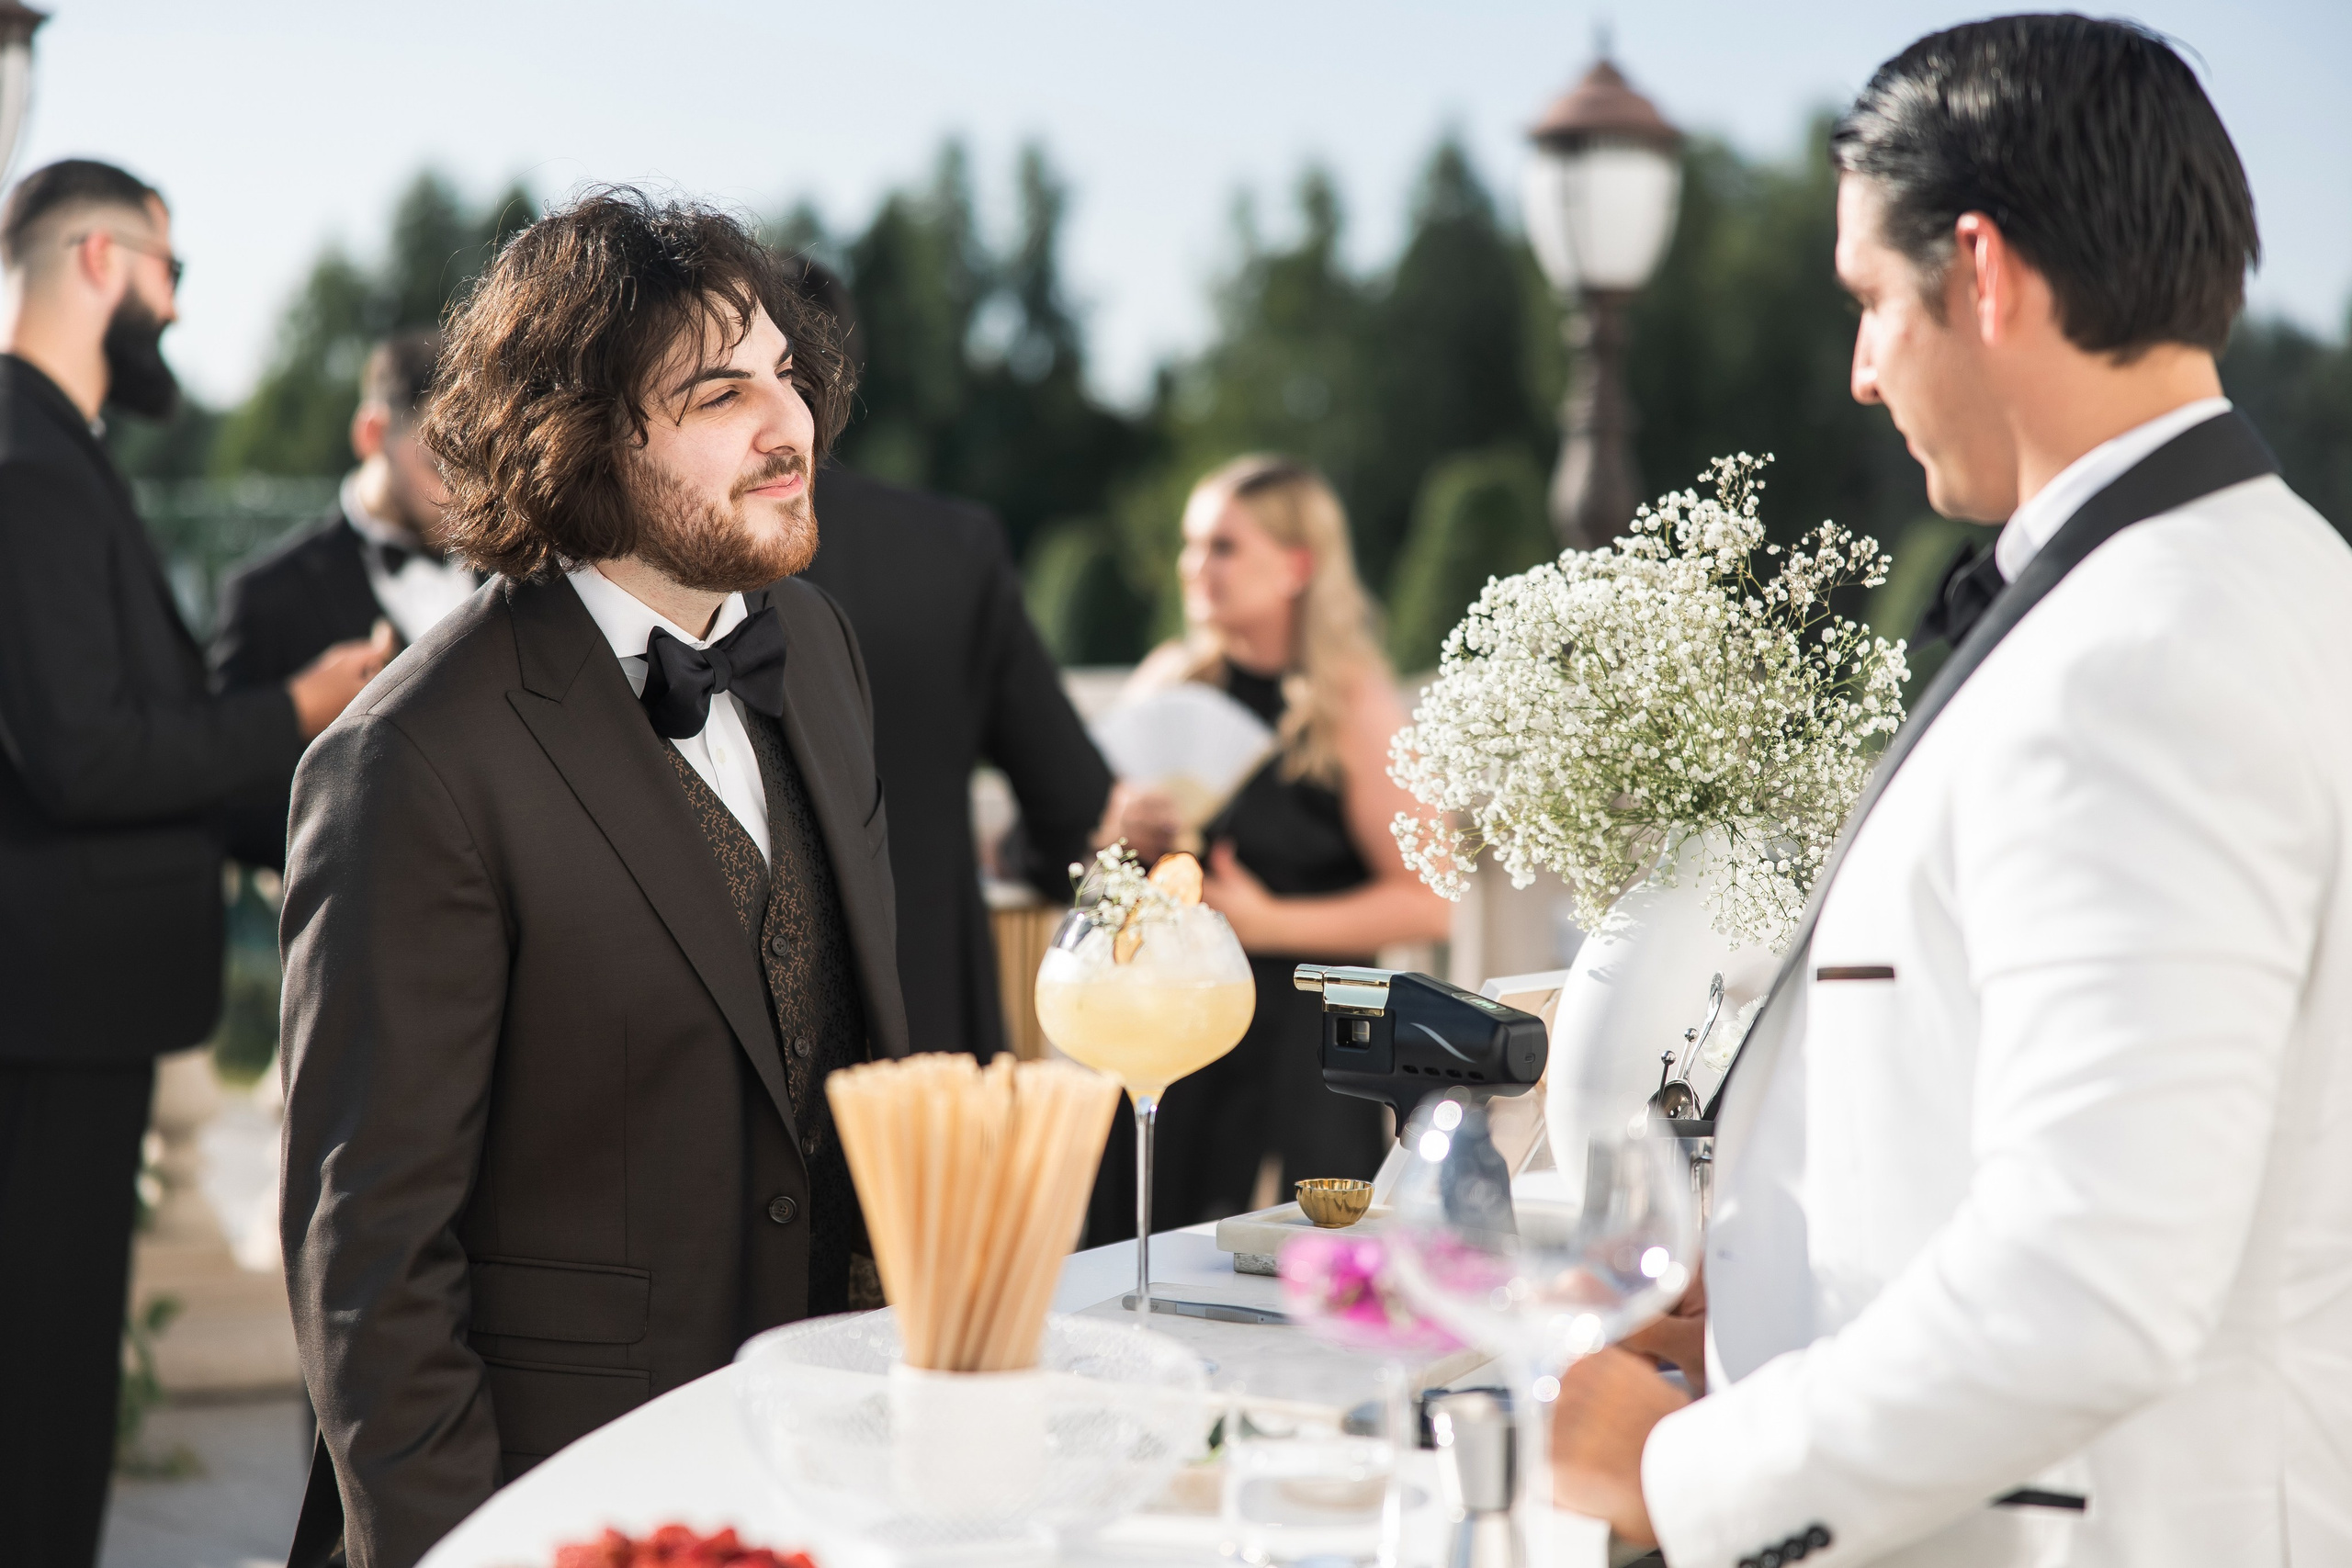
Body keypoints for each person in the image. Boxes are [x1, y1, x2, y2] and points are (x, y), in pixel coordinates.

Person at [1547, 18, 2352, 1567]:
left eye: (1867, 299)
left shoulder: (2141, 660)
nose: (1859, 369)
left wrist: (1689, 1476)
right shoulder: (2279, 583)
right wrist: (1772, 1279)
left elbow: (2092, 1277)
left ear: (1979, 272)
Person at [277, 189, 908, 1568]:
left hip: (826, 1453)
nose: (787, 425)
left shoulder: (818, 645)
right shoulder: (408, 760)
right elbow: (371, 1262)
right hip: (565, 1495)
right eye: (720, 392)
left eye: (790, 379)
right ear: (577, 434)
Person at [0, 158, 384, 1566]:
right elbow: (89, 753)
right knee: (35, 1399)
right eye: (171, 273)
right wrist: (293, 712)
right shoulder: (26, 463)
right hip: (49, 1017)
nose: (173, 306)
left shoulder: (54, 450)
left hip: (68, 1007)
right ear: (101, 261)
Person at [1090, 457, 1450, 1238]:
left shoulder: (1354, 704)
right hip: (1176, 1026)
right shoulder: (1170, 680)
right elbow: (1092, 867)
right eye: (1191, 545)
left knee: (1306, 1269)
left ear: (1296, 565)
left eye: (1223, 546)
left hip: (1312, 1044)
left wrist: (1268, 922)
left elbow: (1430, 898)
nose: (1195, 566)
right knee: (1146, 1252)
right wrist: (1120, 834)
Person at [788, 259, 1115, 1058]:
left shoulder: (668, 552)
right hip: (926, 1011)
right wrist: (1014, 855)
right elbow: (1074, 801)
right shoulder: (952, 546)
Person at [211, 330, 471, 867]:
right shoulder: (266, 597)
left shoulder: (524, 572)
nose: (467, 491)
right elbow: (230, 802)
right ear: (373, 432)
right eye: (443, 463)